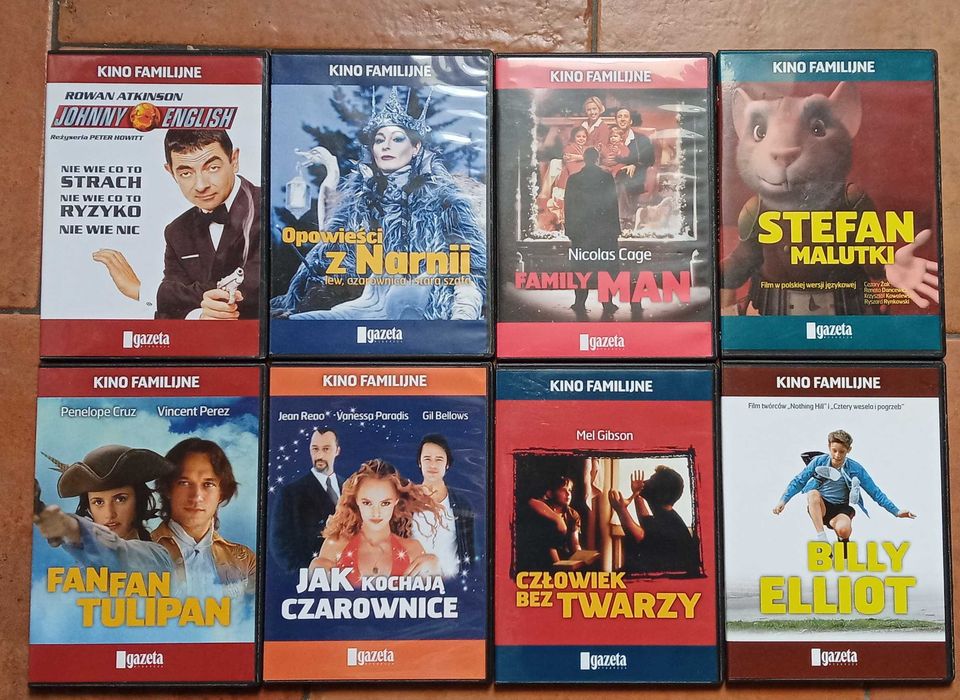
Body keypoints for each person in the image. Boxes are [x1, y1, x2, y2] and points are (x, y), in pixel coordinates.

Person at [271, 86, 487, 321]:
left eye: (397, 139)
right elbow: (330, 255)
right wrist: (297, 304)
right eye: (379, 140)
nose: (386, 146)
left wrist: (463, 316)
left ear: (416, 148)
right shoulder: (359, 202)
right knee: (305, 320)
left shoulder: (444, 199)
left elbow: (468, 268)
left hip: (423, 305)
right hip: (369, 302)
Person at [93, 128, 261, 321]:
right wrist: (198, 316)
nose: (201, 185)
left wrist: (143, 291)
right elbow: (167, 316)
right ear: (171, 172)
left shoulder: (269, 208)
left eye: (212, 168)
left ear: (234, 160)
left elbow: (254, 288)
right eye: (186, 173)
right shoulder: (176, 231)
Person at [33, 445, 175, 574]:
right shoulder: (75, 576)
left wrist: (71, 527)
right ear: (89, 508)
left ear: (138, 501)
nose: (109, 514)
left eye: (120, 499)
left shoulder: (157, 558)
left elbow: (118, 553)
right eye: (98, 502)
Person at [773, 429, 916, 546]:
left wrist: (896, 511)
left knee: (843, 530)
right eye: (834, 450)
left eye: (842, 452)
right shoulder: (818, 462)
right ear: (829, 447)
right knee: (812, 493)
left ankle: (843, 541)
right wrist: (783, 500)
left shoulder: (855, 468)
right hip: (820, 506)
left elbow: (875, 492)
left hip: (840, 508)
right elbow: (799, 481)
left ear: (849, 450)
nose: (837, 455)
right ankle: (822, 539)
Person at [309, 459, 442, 584]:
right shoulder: (335, 546)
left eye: (385, 503)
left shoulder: (412, 549)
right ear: (356, 500)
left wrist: (436, 571)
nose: (376, 513)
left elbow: (432, 597)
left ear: (396, 500)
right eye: (367, 503)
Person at [152, 437, 256, 597]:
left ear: (221, 494)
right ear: (167, 489)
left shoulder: (245, 560)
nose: (196, 496)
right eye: (184, 483)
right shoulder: (139, 553)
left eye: (208, 484)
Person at [269, 427, 344, 572]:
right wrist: (309, 573)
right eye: (315, 449)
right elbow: (280, 545)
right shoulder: (290, 493)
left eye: (326, 449)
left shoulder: (351, 488)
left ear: (337, 451)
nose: (320, 455)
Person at [608, 467, 699, 575]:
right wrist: (636, 494)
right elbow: (645, 519)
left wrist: (621, 510)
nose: (644, 482)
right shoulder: (667, 515)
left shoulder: (670, 526)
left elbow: (639, 536)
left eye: (651, 481)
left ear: (660, 493)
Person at [564, 147, 622, 319]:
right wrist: (615, 230)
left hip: (581, 231)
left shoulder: (574, 179)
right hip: (603, 231)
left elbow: (569, 206)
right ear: (597, 159)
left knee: (580, 267)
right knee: (606, 267)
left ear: (584, 159)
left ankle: (580, 301)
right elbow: (612, 205)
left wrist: (570, 229)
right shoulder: (606, 177)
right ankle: (607, 302)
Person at [411, 434, 476, 577]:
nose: (432, 465)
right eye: (427, 459)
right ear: (419, 462)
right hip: (414, 584)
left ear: (447, 464)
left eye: (439, 459)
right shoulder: (406, 502)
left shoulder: (462, 505)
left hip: (453, 584)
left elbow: (469, 553)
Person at [516, 475, 581, 571]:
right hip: (542, 557)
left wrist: (581, 556)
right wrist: (557, 519)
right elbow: (530, 502)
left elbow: (575, 543)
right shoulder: (543, 508)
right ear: (550, 493)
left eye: (570, 490)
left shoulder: (573, 514)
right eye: (563, 490)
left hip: (564, 555)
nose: (568, 494)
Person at [612, 108, 656, 227]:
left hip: (635, 176)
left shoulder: (642, 139)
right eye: (619, 116)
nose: (622, 119)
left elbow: (650, 159)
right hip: (614, 174)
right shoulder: (610, 139)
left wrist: (635, 165)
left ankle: (624, 220)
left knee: (621, 182)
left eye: (625, 116)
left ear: (631, 121)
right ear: (616, 120)